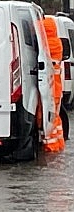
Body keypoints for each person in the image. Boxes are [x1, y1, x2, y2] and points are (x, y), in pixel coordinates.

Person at [42, 17, 65, 152]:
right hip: (54, 87)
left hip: (51, 87)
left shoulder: (49, 44)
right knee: (54, 118)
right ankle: (55, 145)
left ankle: (51, 145)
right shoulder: (56, 43)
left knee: (50, 118)